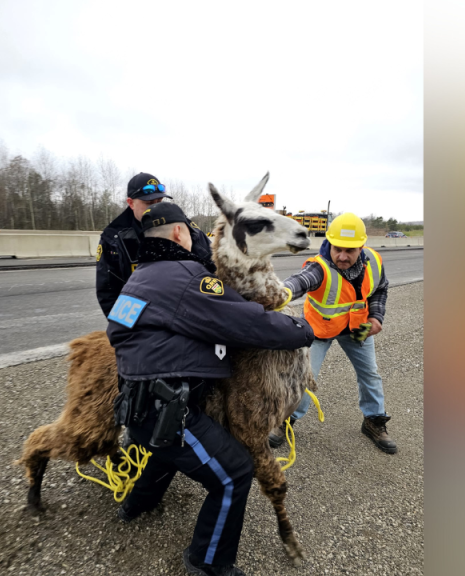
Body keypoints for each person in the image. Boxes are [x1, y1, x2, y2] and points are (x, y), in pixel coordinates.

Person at [107, 202, 314, 576]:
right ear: (177, 233)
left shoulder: (139, 278)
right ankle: (209, 562)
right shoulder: (188, 278)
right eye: (190, 229)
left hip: (135, 410)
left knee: (163, 450)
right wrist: (301, 331)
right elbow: (247, 323)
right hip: (168, 411)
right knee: (234, 472)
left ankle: (136, 505)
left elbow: (118, 333)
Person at [268, 213, 398, 454]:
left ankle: (373, 421)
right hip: (319, 330)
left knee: (370, 374)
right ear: (330, 244)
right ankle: (285, 420)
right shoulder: (320, 268)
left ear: (361, 247)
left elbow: (381, 288)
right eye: (338, 249)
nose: (342, 256)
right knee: (303, 378)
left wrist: (376, 317)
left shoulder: (374, 261)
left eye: (350, 251)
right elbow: (300, 281)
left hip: (356, 329)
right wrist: (280, 292)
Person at [96, 172, 213, 317]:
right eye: (149, 204)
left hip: (186, 310)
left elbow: (211, 263)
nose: (155, 208)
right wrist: (127, 332)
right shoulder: (113, 238)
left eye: (159, 201)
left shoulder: (185, 226)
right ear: (131, 203)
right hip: (143, 315)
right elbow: (108, 292)